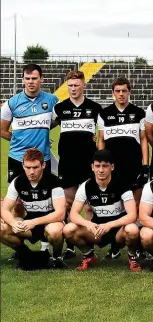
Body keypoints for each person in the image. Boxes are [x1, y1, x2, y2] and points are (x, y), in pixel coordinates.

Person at [62, 150, 141, 271]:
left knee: (132, 229)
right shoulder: (86, 186)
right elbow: (73, 214)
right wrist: (88, 224)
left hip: (119, 230)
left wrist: (109, 225)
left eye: (105, 166)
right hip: (98, 230)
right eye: (97, 166)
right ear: (92, 167)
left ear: (112, 167)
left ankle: (132, 256)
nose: (101, 170)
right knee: (68, 229)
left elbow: (132, 215)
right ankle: (89, 255)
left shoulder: (122, 184)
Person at [51, 70, 102, 259]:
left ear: (84, 86)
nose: (73, 89)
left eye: (76, 85)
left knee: (90, 205)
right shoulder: (60, 108)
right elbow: (45, 126)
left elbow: (105, 131)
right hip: (67, 164)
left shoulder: (95, 108)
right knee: (68, 204)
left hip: (88, 164)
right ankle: (70, 245)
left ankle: (89, 243)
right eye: (70, 85)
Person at [97, 77, 149, 259]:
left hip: (133, 167)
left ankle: (137, 246)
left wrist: (145, 165)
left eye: (124, 91)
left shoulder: (138, 112)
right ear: (113, 93)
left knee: (135, 206)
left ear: (129, 92)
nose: (121, 94)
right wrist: (101, 164)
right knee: (117, 207)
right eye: (117, 91)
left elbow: (143, 140)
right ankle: (115, 245)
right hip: (113, 169)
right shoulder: (104, 114)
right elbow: (101, 140)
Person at [0, 148, 66, 269]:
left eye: (35, 167)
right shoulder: (18, 181)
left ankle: (57, 257)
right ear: (23, 165)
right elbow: (5, 209)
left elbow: (60, 214)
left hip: (49, 222)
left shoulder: (54, 182)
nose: (31, 172)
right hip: (29, 224)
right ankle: (25, 254)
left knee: (55, 231)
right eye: (28, 167)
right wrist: (13, 223)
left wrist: (33, 222)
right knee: (2, 229)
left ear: (43, 165)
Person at [1, 63, 59, 185]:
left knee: (45, 197)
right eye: (27, 78)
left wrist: (43, 133)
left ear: (41, 79)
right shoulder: (11, 103)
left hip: (43, 158)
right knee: (17, 201)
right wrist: (20, 140)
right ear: (23, 80)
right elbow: (2, 130)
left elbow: (59, 120)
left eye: (34, 78)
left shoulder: (52, 100)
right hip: (18, 156)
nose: (30, 82)